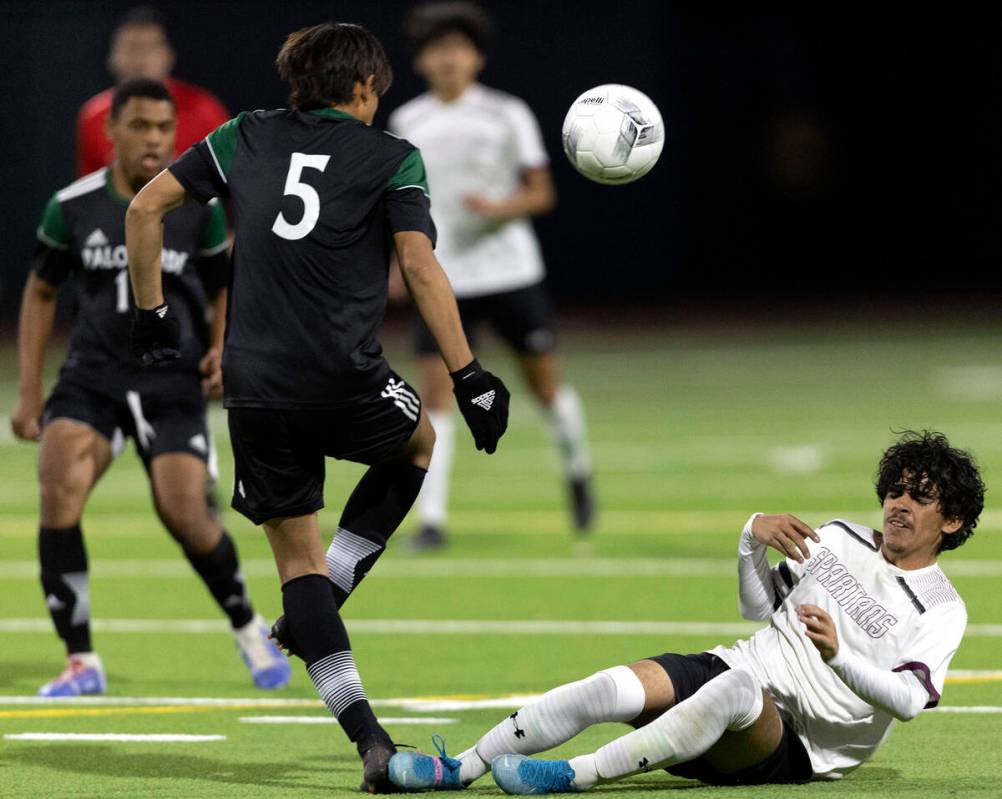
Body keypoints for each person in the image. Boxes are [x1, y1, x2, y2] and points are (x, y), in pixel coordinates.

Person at [124, 22, 510, 791]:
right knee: (421, 442)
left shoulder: (245, 135)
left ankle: (369, 738)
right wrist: (469, 374)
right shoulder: (392, 155)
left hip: (253, 383)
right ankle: (325, 599)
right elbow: (419, 264)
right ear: (364, 88)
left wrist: (151, 316)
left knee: (293, 562)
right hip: (345, 375)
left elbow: (143, 209)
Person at [387, 430, 983, 791]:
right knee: (612, 686)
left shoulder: (941, 607)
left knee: (737, 690)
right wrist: (750, 537)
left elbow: (908, 703)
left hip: (795, 745)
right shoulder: (837, 538)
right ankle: (460, 768)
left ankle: (574, 775)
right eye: (895, 490)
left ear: (951, 521)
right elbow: (756, 610)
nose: (900, 504)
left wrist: (839, 658)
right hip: (735, 670)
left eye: (920, 497)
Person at [11, 78, 289, 696]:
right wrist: (31, 392)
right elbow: (40, 291)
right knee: (59, 490)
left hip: (172, 377)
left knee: (184, 512)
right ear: (110, 130)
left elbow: (223, 282)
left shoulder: (198, 207)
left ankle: (248, 628)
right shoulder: (73, 205)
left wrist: (221, 347)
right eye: (140, 126)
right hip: (93, 377)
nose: (155, 139)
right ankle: (81, 661)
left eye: (164, 127)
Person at [388, 2, 595, 549]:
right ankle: (431, 521)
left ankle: (577, 471)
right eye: (437, 48)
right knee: (433, 398)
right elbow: (397, 206)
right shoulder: (408, 122)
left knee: (544, 388)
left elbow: (542, 192)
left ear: (476, 57)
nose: (448, 58)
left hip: (509, 272)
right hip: (442, 277)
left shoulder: (507, 113)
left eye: (458, 47)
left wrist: (499, 208)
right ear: (422, 60)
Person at [76, 6, 230, 176]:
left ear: (168, 56)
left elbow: (232, 179)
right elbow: (89, 192)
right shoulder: (93, 116)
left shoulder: (203, 110)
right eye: (131, 48)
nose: (140, 59)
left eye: (150, 47)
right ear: (112, 57)